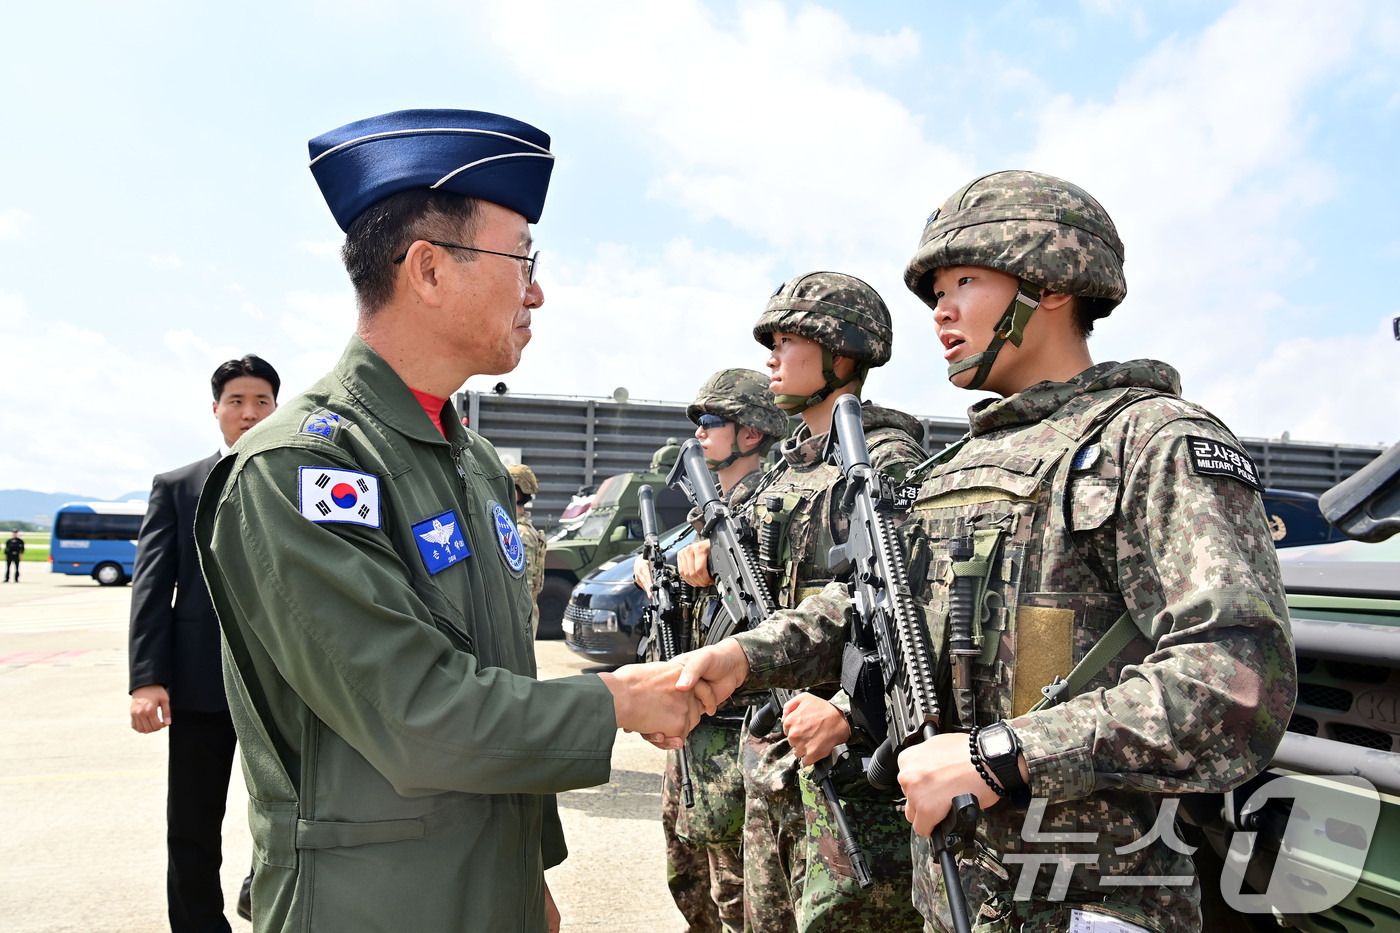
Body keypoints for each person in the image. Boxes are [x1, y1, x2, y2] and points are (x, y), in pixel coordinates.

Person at [677, 171, 1297, 933]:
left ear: (1053, 282)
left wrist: (1005, 754)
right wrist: (741, 656)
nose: (941, 310)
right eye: (936, 291)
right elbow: (875, 602)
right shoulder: (954, 469)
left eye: (965, 281)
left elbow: (1235, 680)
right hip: (954, 892)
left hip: (1090, 895)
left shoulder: (1151, 441)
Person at [193, 108, 710, 933]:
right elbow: (418, 715)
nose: (536, 290)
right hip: (371, 908)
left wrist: (530, 871)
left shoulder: (472, 462)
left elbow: (502, 673)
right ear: (429, 270)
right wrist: (619, 698)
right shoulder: (297, 467)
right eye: (523, 259)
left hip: (491, 890)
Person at [677, 275, 925, 933]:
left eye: (788, 341)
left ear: (841, 356)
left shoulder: (883, 462)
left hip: (849, 767)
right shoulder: (787, 470)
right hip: (774, 754)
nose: (771, 358)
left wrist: (844, 708)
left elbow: (906, 608)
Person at [129, 354, 279, 931]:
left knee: (294, 812)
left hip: (283, 683)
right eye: (237, 401)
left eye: (262, 401)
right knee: (193, 823)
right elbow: (152, 587)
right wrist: (148, 679)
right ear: (215, 409)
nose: (249, 413)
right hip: (200, 683)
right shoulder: (178, 486)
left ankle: (265, 897)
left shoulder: (301, 480)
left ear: (276, 408)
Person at [639, 368, 788, 933]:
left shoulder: (771, 511)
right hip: (693, 730)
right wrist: (659, 575)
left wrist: (720, 560)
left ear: (751, 433)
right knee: (687, 877)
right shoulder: (703, 517)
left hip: (736, 732)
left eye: (711, 421)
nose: (698, 433)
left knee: (736, 892)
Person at [508, 462, 549, 635]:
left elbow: (523, 586)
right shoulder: (523, 529)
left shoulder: (520, 532)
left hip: (518, 618)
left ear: (515, 493)